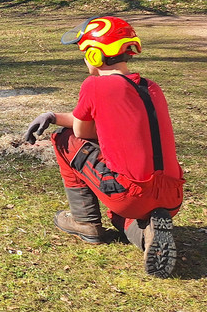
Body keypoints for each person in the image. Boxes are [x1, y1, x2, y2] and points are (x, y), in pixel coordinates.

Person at [24, 16, 184, 278]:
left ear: (95, 55)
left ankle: (85, 223)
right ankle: (147, 234)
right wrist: (52, 115)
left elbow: (83, 132)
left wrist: (57, 125)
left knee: (64, 140)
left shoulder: (95, 85)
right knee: (119, 214)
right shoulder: (150, 87)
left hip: (128, 193)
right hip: (170, 195)